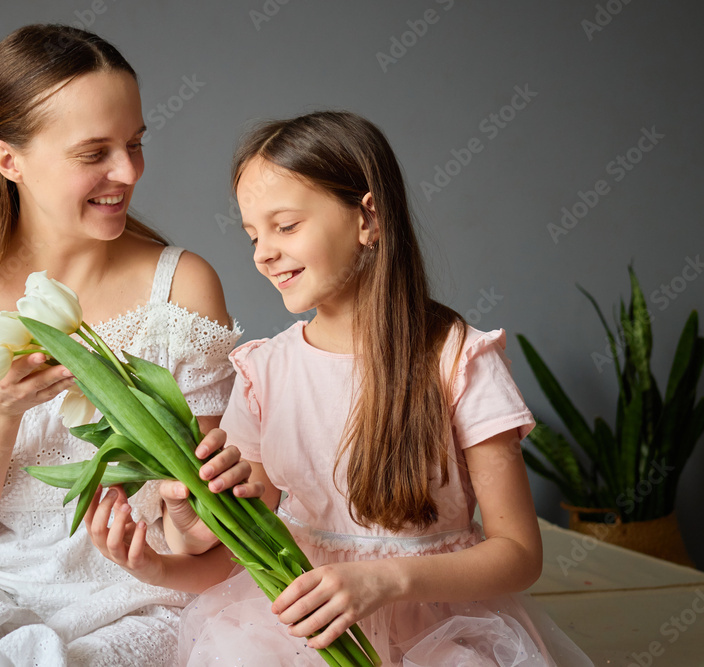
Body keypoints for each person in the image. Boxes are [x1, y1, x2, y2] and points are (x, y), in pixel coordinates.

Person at [85, 111, 594, 666]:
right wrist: (167, 549)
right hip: (298, 637)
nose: (262, 253)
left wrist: (382, 581)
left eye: (285, 226)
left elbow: (519, 554)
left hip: (442, 626)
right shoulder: (263, 372)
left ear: (367, 217)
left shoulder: (458, 359)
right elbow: (237, 560)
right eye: (253, 234)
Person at [0, 24, 252, 666]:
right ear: (8, 160)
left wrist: (180, 522)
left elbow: (204, 538)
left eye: (134, 144)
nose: (127, 171)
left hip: (138, 597)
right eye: (93, 152)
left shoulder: (180, 290)